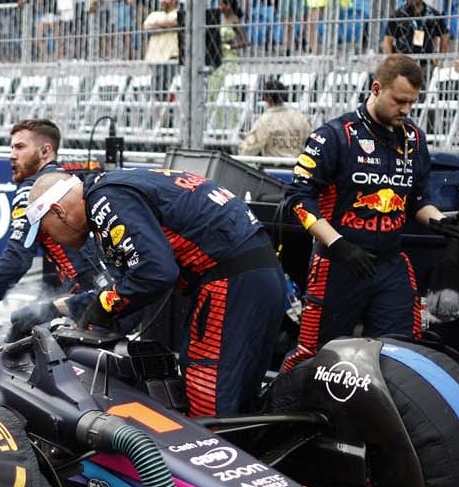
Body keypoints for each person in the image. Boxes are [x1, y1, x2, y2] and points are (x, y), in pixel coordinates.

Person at [24, 164, 283, 419]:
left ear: (58, 211)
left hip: (231, 282)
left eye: (47, 233)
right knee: (239, 396)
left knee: (208, 396)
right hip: (257, 275)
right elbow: (130, 282)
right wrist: (68, 307)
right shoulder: (114, 188)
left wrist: (102, 308)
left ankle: (219, 460)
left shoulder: (105, 199)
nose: (53, 242)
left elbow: (154, 274)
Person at [282, 55, 459, 371]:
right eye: (399, 100)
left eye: (412, 103)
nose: (406, 110)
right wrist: (339, 245)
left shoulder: (413, 138)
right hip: (338, 264)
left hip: (389, 265)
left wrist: (445, 224)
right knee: (315, 359)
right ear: (376, 88)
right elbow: (298, 200)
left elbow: (416, 201)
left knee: (401, 357)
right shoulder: (334, 136)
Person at [0, 118, 101, 315]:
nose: (12, 155)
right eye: (11, 148)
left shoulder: (33, 190)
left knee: (20, 323)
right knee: (32, 315)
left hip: (93, 294)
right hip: (104, 285)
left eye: (20, 147)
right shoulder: (70, 179)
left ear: (45, 151)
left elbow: (16, 260)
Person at [238, 78, 312, 159]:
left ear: (265, 96)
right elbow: (310, 143)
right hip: (296, 166)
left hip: (272, 167)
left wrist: (242, 149)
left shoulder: (265, 120)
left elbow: (248, 149)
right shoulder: (301, 118)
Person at [384, 0, 448, 61]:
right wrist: (390, 60)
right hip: (403, 60)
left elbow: (445, 35)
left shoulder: (433, 14)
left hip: (426, 60)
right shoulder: (398, 15)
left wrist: (440, 58)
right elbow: (388, 39)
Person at [142, 0, 181, 99]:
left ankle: (168, 113)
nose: (163, 0)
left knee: (167, 87)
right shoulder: (154, 14)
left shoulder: (179, 12)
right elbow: (147, 27)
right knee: (157, 89)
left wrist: (157, 25)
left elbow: (177, 22)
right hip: (155, 57)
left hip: (171, 56)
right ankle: (160, 113)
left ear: (174, 0)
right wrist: (167, 25)